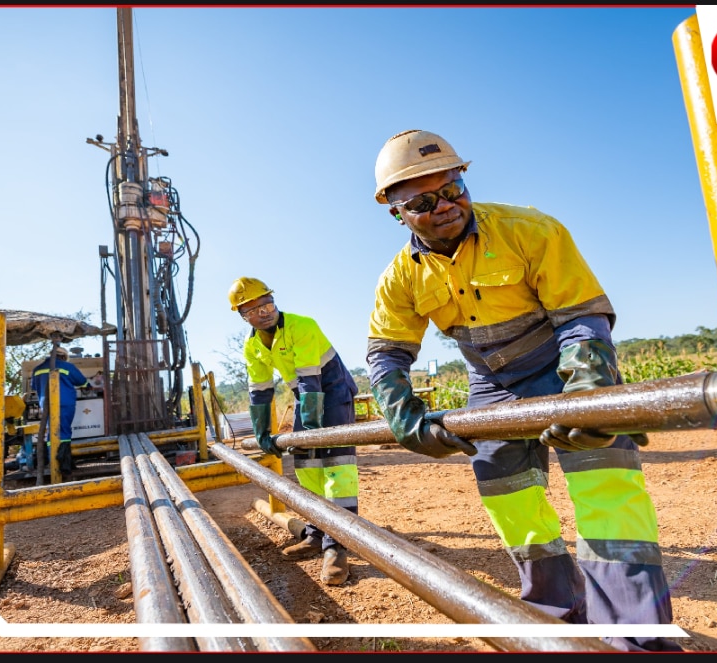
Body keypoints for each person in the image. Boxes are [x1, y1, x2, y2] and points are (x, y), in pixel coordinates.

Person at [365, 129, 681, 652]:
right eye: (423, 202)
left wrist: (588, 394)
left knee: (606, 487)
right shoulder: (400, 278)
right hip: (492, 381)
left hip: (565, 365)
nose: (445, 206)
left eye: (453, 188)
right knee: (507, 492)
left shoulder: (529, 229)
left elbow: (582, 318)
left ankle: (635, 638)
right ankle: (556, 616)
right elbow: (386, 353)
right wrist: (403, 414)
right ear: (396, 213)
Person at [230, 276, 360, 586]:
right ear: (243, 316)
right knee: (306, 466)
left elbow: (309, 379)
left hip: (333, 392)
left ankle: (337, 546)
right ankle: (316, 533)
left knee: (336, 469)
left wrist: (312, 431)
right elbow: (259, 391)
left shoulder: (302, 325)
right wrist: (262, 433)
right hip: (307, 398)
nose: (265, 312)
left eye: (268, 304)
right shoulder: (252, 347)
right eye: (255, 310)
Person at [30, 345, 91, 479]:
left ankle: (52, 461)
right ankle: (62, 465)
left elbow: (33, 386)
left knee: (51, 432)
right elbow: (82, 381)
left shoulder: (37, 369)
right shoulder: (67, 367)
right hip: (64, 404)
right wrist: (89, 386)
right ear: (63, 356)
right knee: (64, 431)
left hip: (46, 405)